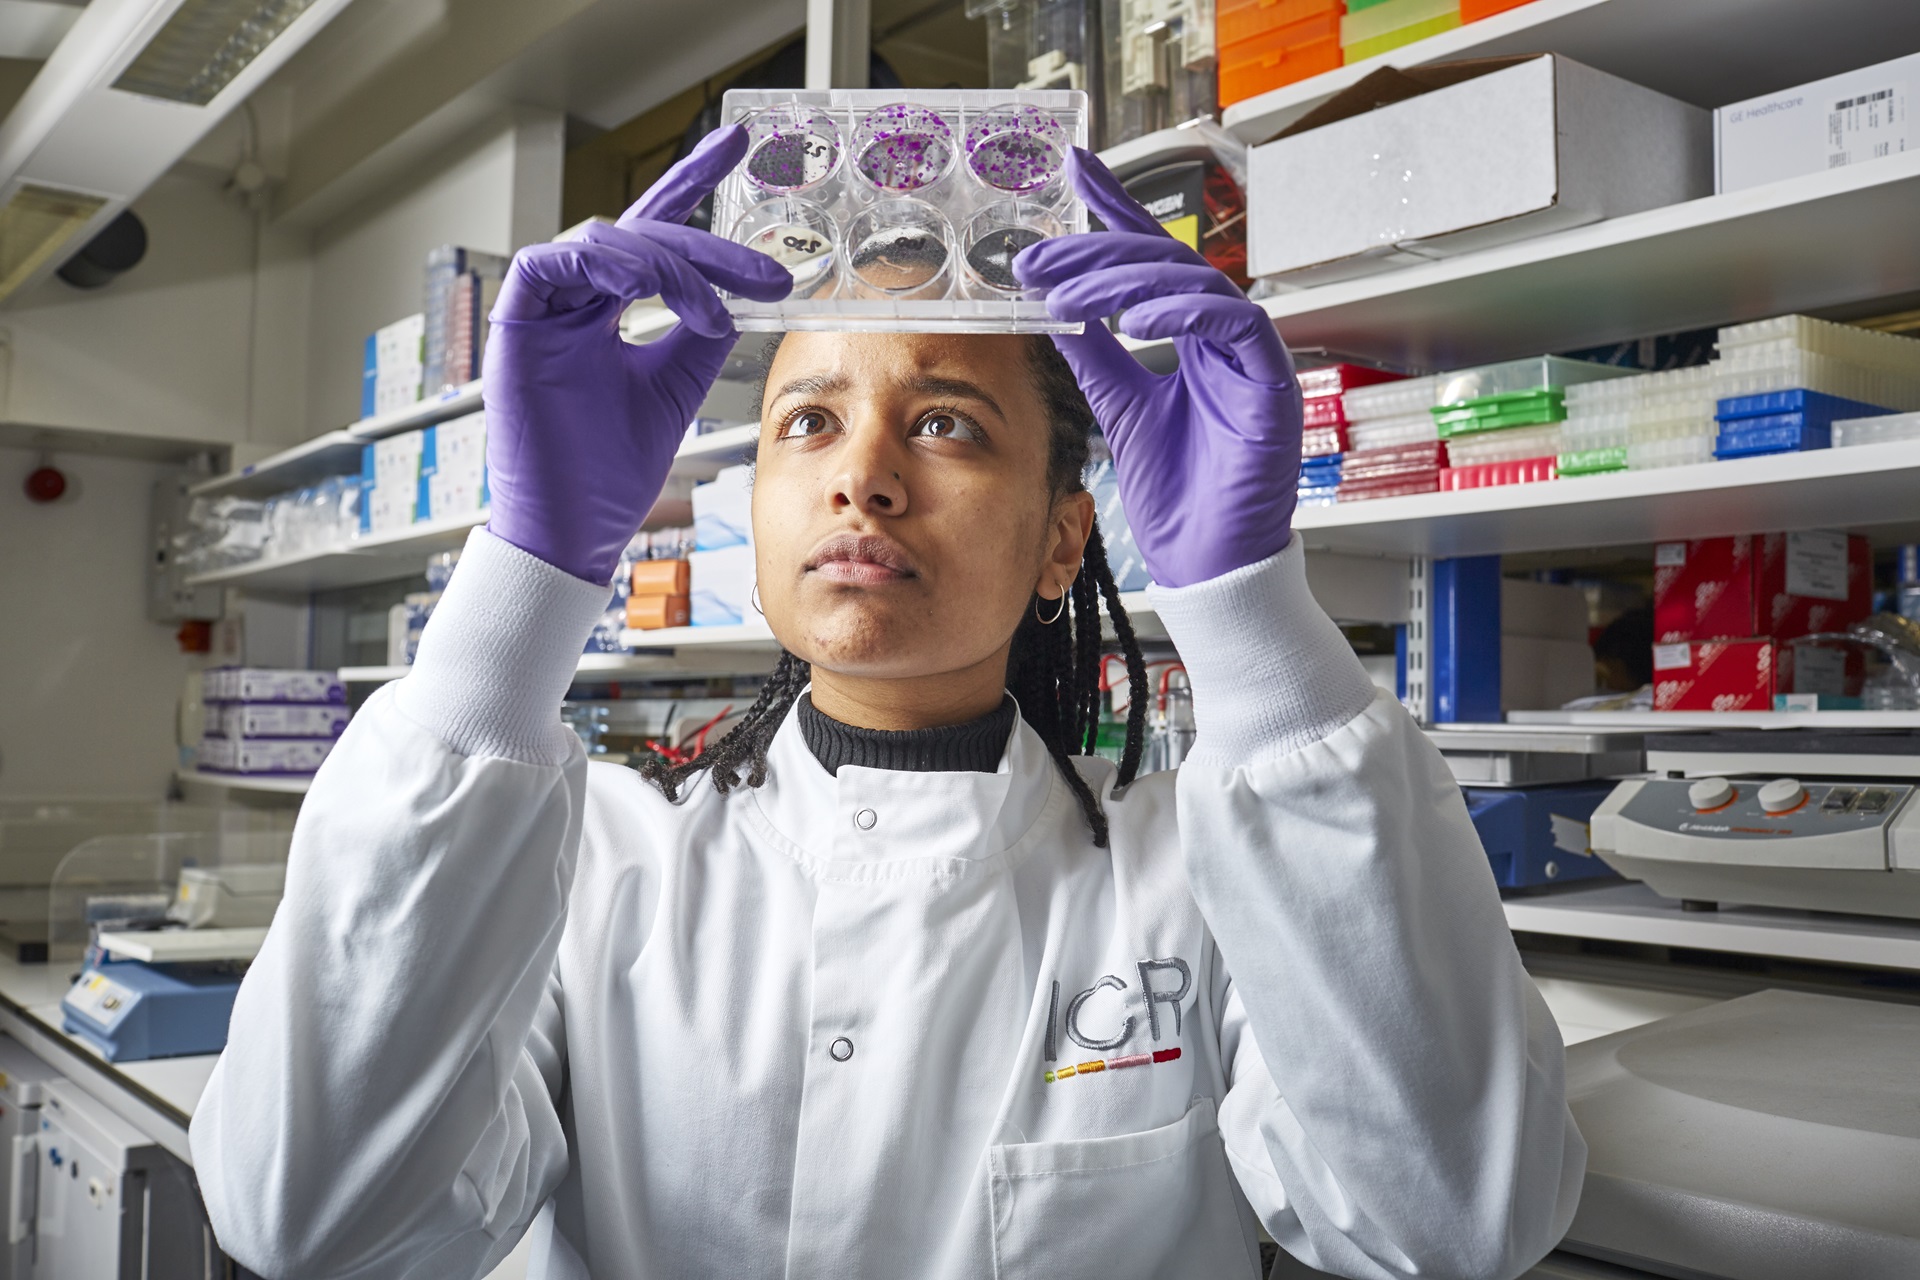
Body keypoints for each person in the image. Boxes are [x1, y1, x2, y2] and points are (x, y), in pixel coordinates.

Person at [191, 125, 1584, 1279]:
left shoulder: (1183, 885)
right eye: (808, 420)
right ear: (757, 502)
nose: (861, 475)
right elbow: (311, 1220)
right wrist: (525, 581)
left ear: (1061, 538)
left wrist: (1250, 607)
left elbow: (1450, 1226)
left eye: (945, 422)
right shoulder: (604, 865)